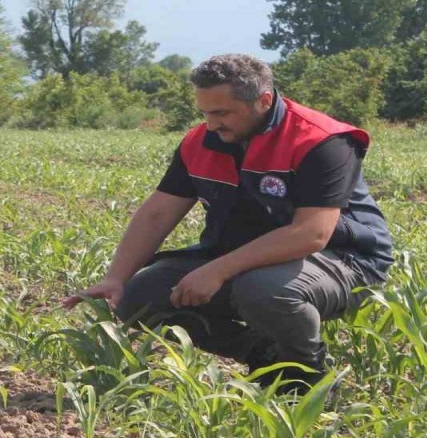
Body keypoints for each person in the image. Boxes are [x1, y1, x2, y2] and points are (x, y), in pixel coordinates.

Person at [63, 54, 393, 393]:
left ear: (263, 101)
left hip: (345, 260)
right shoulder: (201, 142)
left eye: (221, 113)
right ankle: (265, 357)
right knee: (139, 296)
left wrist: (218, 270)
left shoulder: (320, 141)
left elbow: (311, 233)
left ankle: (305, 379)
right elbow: (158, 212)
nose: (211, 124)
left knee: (264, 289)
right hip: (248, 259)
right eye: (205, 113)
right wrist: (116, 278)